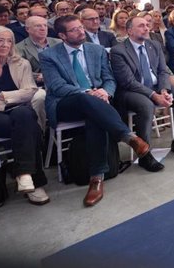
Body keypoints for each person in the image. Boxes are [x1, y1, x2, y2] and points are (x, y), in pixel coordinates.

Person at [40, 15, 151, 207]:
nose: (81, 31)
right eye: (74, 30)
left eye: (81, 28)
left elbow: (109, 78)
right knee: (87, 100)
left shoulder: (96, 50)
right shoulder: (49, 55)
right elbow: (57, 86)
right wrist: (89, 92)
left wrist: (106, 92)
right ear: (62, 35)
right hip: (65, 103)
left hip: (97, 102)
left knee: (95, 115)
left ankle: (96, 179)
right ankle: (127, 136)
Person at [0, 26, 49, 205]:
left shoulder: (20, 63)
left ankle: (24, 175)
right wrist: (6, 103)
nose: (5, 45)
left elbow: (30, 92)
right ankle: (32, 180)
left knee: (24, 116)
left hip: (16, 112)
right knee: (30, 127)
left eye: (9, 41)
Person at [111, 17, 174, 169]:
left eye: (147, 25)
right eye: (141, 26)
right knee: (147, 105)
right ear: (129, 30)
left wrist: (164, 90)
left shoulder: (154, 45)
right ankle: (144, 154)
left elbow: (162, 71)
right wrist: (154, 96)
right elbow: (128, 82)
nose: (146, 28)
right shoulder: (119, 51)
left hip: (156, 86)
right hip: (131, 91)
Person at [16, 16, 62, 89]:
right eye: (38, 26)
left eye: (45, 25)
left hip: (62, 81)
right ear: (27, 29)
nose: (43, 28)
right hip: (38, 86)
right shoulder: (19, 48)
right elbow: (20, 71)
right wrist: (40, 76)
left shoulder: (59, 43)